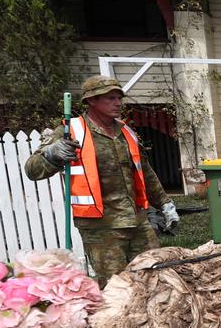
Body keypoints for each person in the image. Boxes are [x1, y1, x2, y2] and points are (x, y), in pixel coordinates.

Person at [25, 75, 178, 285]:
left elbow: (145, 172)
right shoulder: (71, 131)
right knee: (116, 285)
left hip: (136, 220)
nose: (117, 103)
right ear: (91, 101)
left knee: (155, 276)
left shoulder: (126, 132)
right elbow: (32, 170)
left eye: (119, 98)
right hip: (100, 226)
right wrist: (52, 155)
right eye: (110, 98)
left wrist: (164, 203)